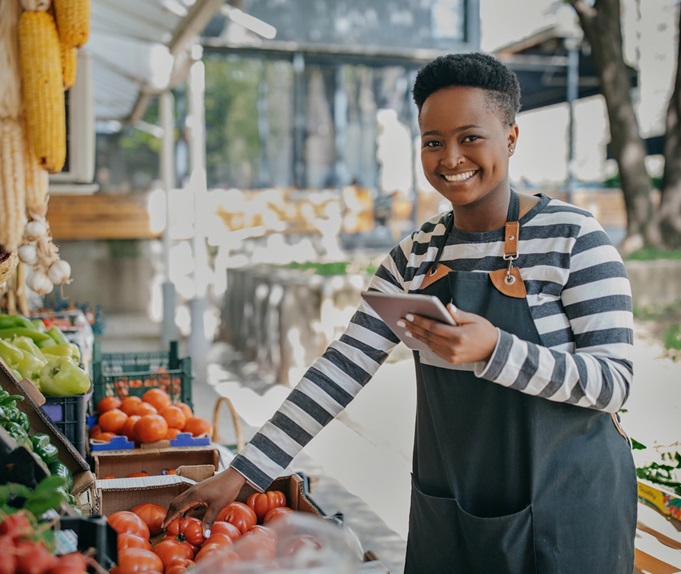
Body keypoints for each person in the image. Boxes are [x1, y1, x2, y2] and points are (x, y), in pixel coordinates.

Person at [164, 52, 637, 573]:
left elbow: (614, 383)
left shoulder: (574, 237)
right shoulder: (415, 255)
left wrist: (495, 350)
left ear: (511, 138)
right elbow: (342, 369)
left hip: (564, 506)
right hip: (453, 504)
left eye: (470, 137)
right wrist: (244, 472)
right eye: (433, 142)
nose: (451, 157)